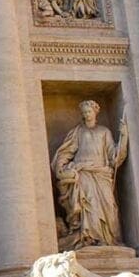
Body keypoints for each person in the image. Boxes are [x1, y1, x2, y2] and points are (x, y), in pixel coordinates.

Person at [52, 100, 128, 247]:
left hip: (101, 173)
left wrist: (124, 137)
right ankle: (91, 238)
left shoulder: (104, 132)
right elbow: (66, 152)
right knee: (89, 203)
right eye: (84, 112)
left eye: (89, 112)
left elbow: (114, 156)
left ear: (95, 112)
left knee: (108, 205)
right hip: (84, 172)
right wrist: (61, 167)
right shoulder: (78, 132)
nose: (87, 115)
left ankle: (108, 239)